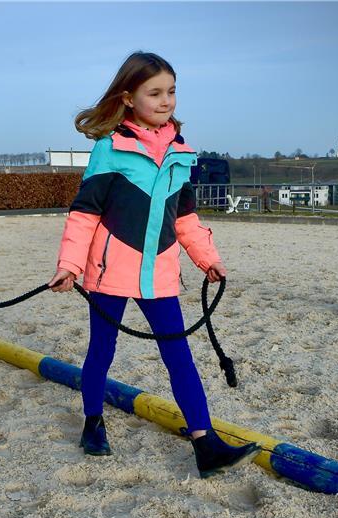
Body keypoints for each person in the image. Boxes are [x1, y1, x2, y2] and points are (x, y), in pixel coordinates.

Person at [48, 51, 260, 478]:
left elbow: (184, 217)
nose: (167, 101)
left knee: (179, 355)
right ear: (128, 98)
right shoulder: (109, 151)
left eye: (172, 91)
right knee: (101, 351)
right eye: (156, 93)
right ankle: (93, 423)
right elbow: (84, 214)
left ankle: (206, 444)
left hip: (160, 272)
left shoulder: (181, 154)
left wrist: (208, 259)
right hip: (109, 272)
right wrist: (70, 265)